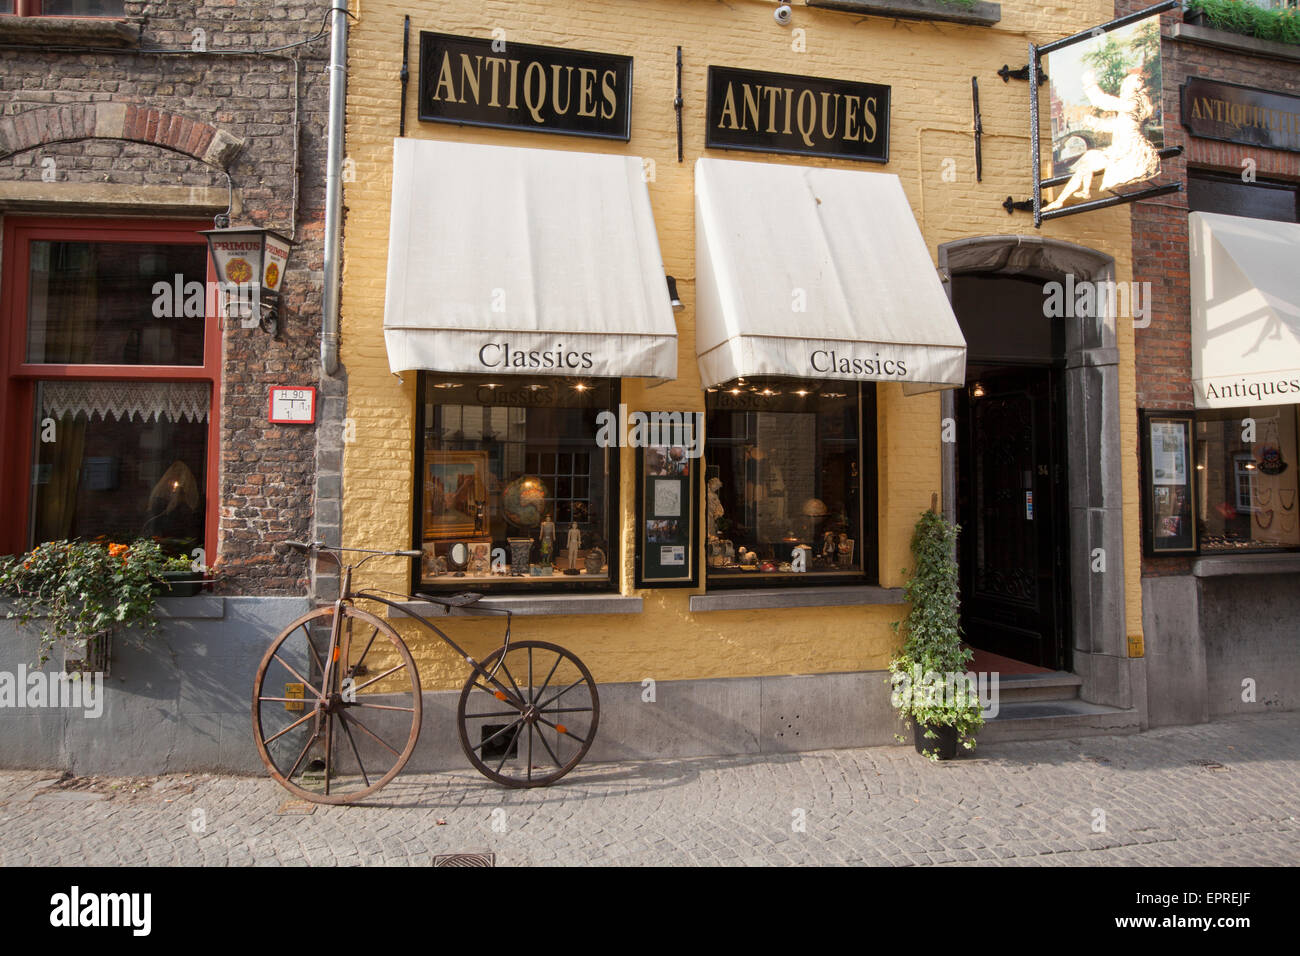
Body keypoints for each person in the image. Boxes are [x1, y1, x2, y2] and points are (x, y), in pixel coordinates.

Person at [1044, 69, 1160, 212]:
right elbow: (1118, 127)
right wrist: (1095, 123)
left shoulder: (1131, 104)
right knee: (1087, 160)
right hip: (1123, 147)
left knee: (1087, 162)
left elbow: (1102, 101)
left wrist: (1089, 83)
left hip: (1127, 150)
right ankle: (1073, 196)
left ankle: (1065, 199)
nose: (1123, 89)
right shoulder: (1130, 108)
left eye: (1125, 86)